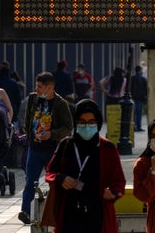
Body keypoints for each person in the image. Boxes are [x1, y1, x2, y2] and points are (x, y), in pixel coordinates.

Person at [44, 99, 125, 232]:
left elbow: (118, 181)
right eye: (82, 122)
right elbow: (50, 171)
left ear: (98, 123)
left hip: (98, 215)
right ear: (76, 123)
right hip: (69, 215)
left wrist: (113, 193)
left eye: (91, 122)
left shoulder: (108, 148)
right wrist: (61, 178)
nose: (87, 126)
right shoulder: (66, 145)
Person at [18, 71, 73, 224]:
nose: (37, 89)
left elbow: (68, 126)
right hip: (34, 148)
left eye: (40, 87)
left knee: (54, 182)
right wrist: (30, 136)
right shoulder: (33, 98)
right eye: (36, 85)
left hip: (52, 150)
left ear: (49, 88)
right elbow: (28, 120)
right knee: (30, 181)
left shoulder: (61, 103)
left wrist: (52, 134)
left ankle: (56, 212)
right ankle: (25, 212)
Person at [130, 65, 148, 132]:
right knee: (139, 113)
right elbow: (146, 89)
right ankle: (138, 127)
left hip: (133, 98)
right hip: (140, 98)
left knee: (133, 113)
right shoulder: (143, 79)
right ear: (140, 70)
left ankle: (133, 126)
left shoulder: (132, 78)